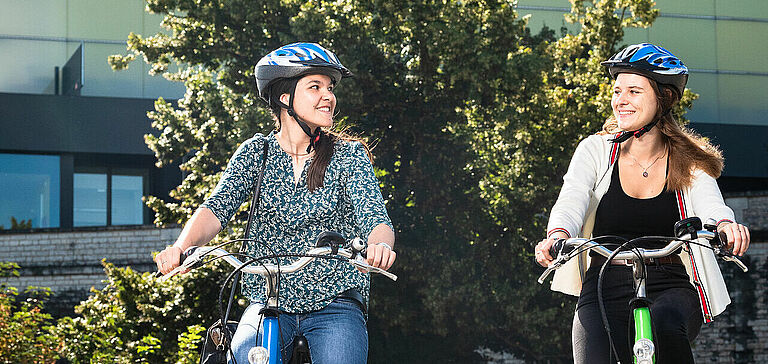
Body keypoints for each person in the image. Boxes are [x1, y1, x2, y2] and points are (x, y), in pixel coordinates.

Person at [154, 42, 396, 364]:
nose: (329, 96)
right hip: (269, 301)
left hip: (335, 303)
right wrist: (180, 249)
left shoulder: (347, 156)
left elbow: (375, 218)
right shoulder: (256, 153)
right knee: (242, 354)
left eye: (330, 87)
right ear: (286, 98)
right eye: (315, 87)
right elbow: (215, 209)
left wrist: (379, 246)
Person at [534, 43, 751, 363]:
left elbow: (709, 201)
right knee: (594, 350)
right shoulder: (595, 151)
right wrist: (558, 235)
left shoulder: (687, 159)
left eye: (634, 91)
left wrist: (725, 225)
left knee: (664, 324)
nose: (620, 100)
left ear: (663, 99)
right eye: (617, 90)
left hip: (670, 286)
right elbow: (572, 197)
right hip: (603, 285)